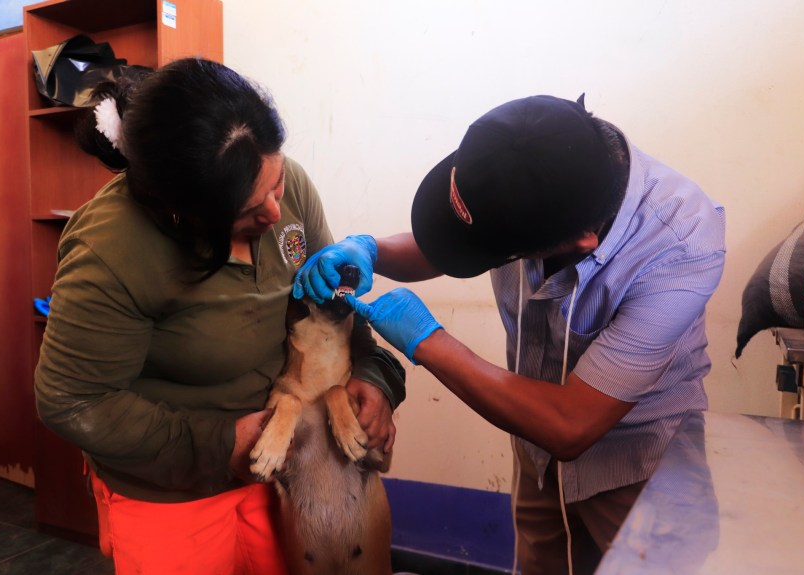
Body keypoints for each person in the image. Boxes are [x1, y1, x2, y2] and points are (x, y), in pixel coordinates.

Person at [294, 94, 726, 575]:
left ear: (579, 241)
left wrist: (428, 341)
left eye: (499, 254)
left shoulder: (679, 243)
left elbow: (571, 425)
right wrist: (371, 249)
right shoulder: (529, 150)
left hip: (637, 463)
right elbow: (451, 245)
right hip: (535, 452)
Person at [34, 57, 405, 575]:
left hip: (277, 466)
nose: (276, 212)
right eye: (251, 211)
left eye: (276, 185)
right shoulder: (111, 248)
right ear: (181, 210)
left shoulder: (282, 185)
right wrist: (218, 444)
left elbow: (335, 310)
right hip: (170, 491)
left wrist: (378, 377)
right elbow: (71, 400)